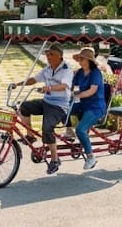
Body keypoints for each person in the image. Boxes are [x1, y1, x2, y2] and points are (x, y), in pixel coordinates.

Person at [12, 44, 73, 175]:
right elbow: (34, 79)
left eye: (51, 54)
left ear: (59, 56)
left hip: (59, 105)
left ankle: (55, 160)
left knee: (47, 128)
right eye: (47, 54)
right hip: (47, 101)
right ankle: (30, 135)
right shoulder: (47, 69)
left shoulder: (67, 69)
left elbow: (65, 86)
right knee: (24, 106)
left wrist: (49, 88)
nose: (48, 57)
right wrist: (17, 84)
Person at [69, 47, 106, 170]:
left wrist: (77, 95)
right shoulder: (80, 72)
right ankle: (69, 130)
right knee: (63, 109)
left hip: (95, 107)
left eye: (82, 59)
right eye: (79, 58)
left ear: (89, 60)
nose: (79, 61)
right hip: (83, 104)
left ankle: (90, 157)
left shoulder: (96, 73)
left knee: (81, 130)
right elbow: (72, 85)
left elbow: (92, 91)